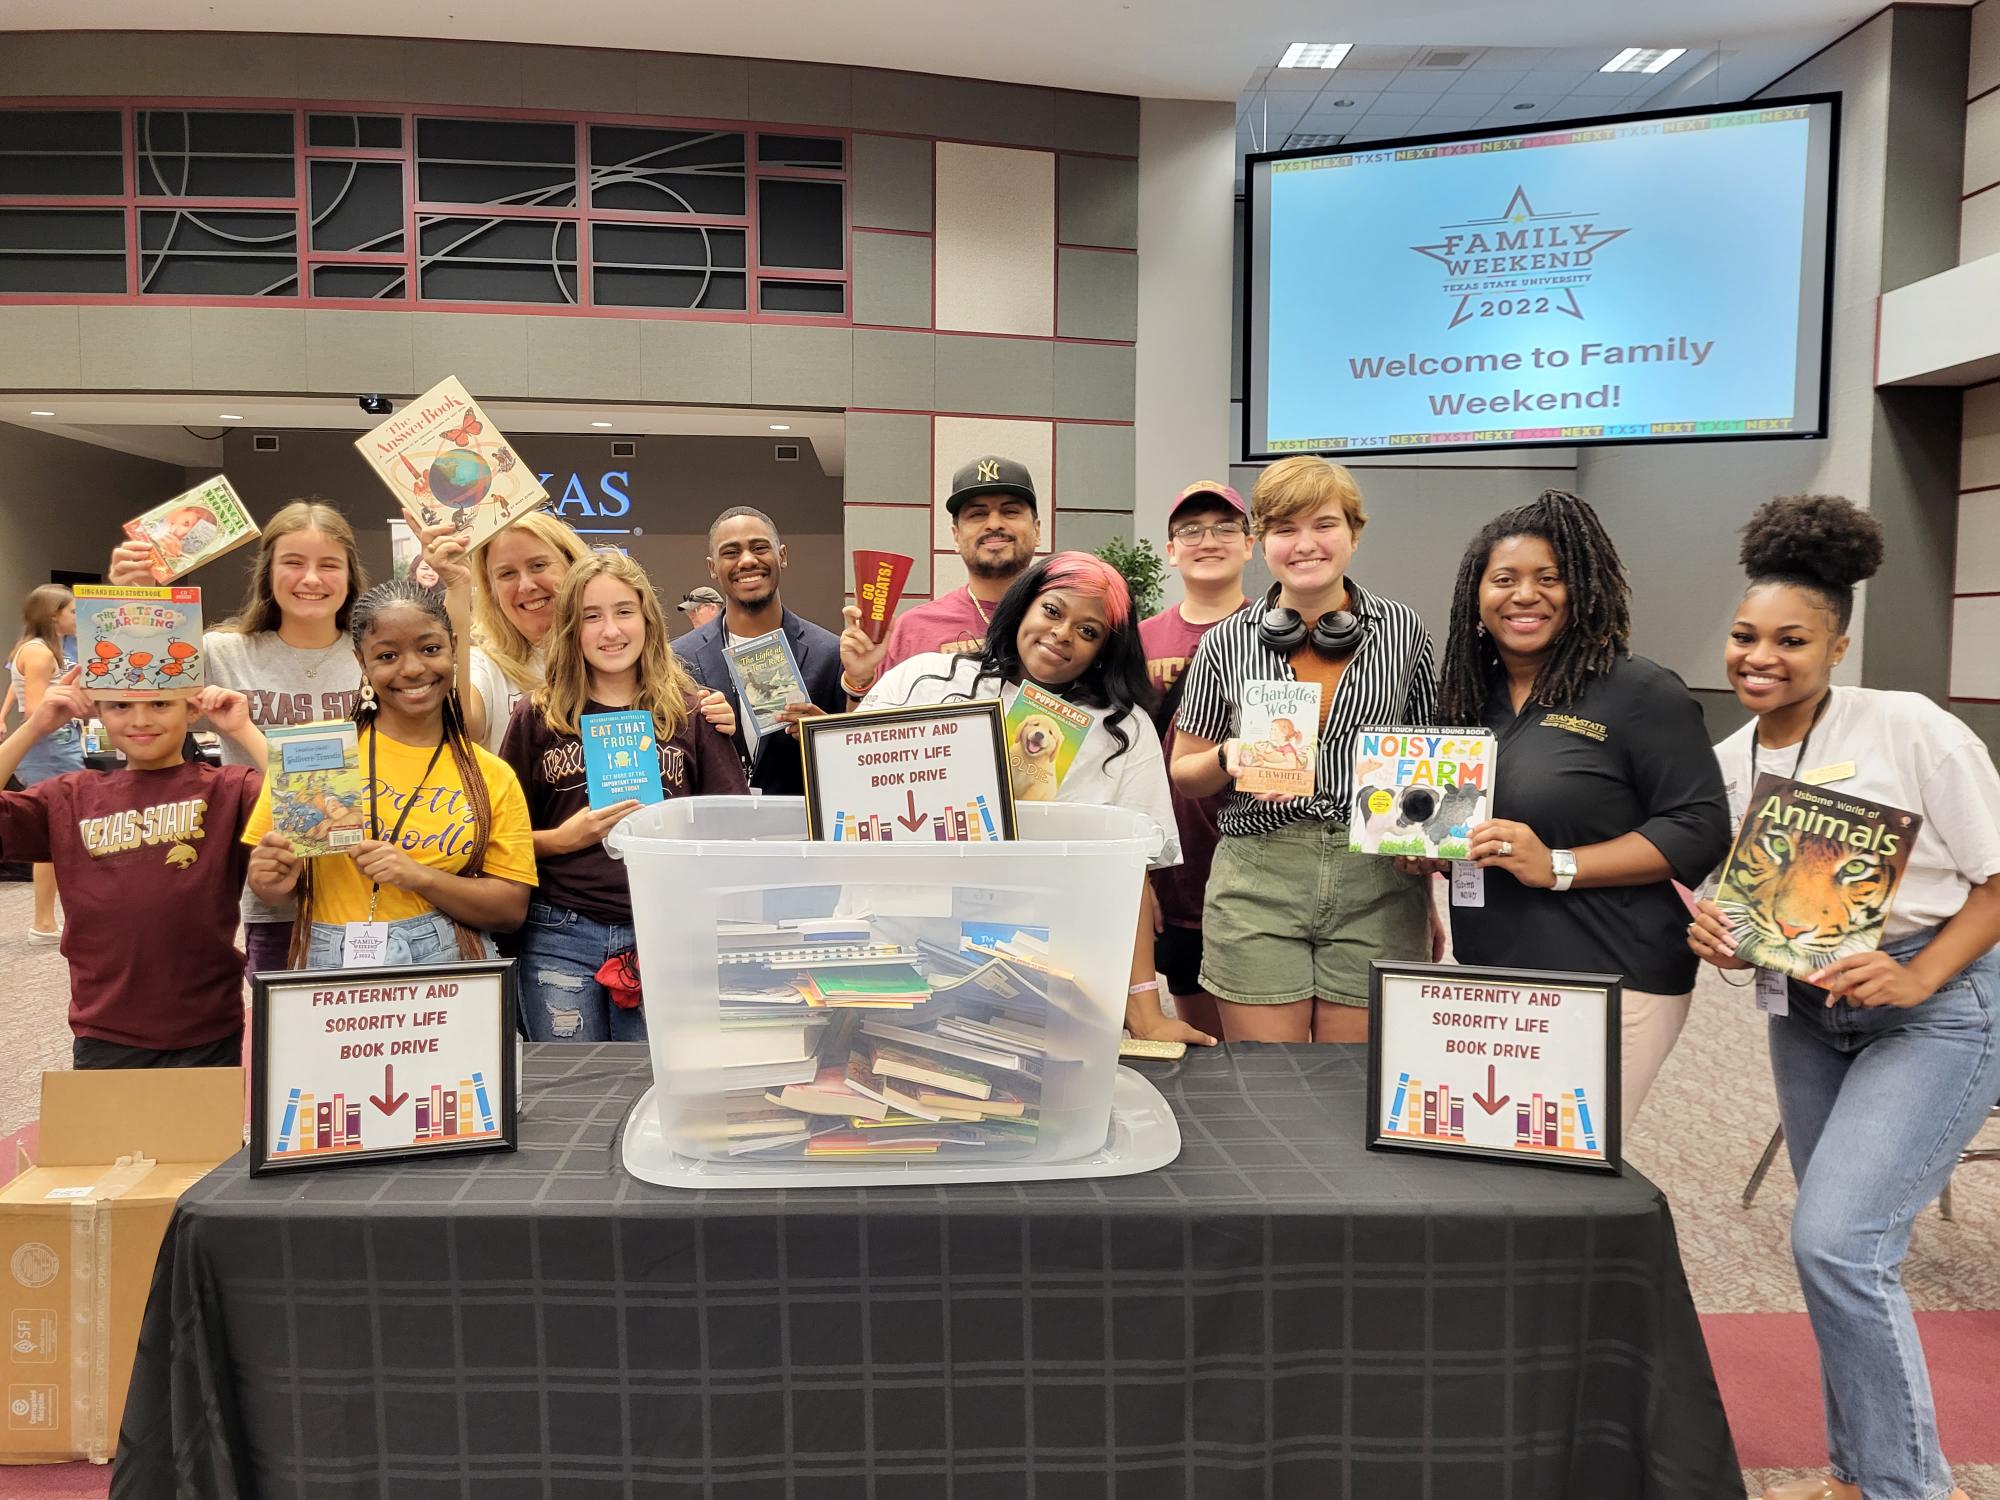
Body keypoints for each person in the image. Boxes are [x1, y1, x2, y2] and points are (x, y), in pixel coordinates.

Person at [1688, 495, 2000, 1500]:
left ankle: (1906, 1485)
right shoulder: (1729, 764)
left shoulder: (1906, 727)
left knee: (1837, 1242)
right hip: (1807, 1018)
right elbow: (1757, 917)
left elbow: (1996, 882)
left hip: (1932, 1009)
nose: (1759, 656)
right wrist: (1722, 943)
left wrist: (1916, 972)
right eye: (1743, 636)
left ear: (1836, 643)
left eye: (1789, 639)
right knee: (1834, 1251)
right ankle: (1859, 1469)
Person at [1436, 489, 1730, 1131]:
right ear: (1475, 594)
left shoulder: (1641, 691)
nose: (1524, 595)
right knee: (1493, 1156)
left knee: (1565, 1173)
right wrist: (1429, 852)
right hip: (1491, 972)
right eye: (1504, 579)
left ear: (1585, 587)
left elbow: (1700, 828)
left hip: (1610, 977)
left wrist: (1559, 864)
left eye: (1550, 578)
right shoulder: (1465, 696)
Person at [862, 551, 1209, 1046]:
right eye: (1052, 611)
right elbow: (848, 800)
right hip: (901, 956)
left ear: (1105, 650)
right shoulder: (924, 681)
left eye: (1089, 631)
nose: (1064, 633)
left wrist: (1147, 1013)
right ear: (1022, 606)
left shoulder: (1123, 730)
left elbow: (1129, 878)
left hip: (1038, 979)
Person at [1169, 457, 1438, 1044]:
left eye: (1324, 524)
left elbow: (1425, 768)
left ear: (1354, 532)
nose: (1306, 544)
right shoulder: (1226, 642)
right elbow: (1184, 773)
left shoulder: (1404, 630)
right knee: (1269, 1083)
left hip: (1378, 879)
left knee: (1351, 1087)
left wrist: (1428, 892)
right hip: (1258, 879)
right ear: (1261, 541)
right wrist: (1227, 757)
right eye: (1285, 529)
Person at [109, 500, 368, 974]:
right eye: (293, 563)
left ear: (350, 574)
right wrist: (135, 603)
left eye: (328, 565)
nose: (311, 579)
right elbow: (131, 693)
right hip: (271, 889)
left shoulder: (378, 653)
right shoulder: (221, 651)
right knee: (282, 1039)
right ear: (268, 571)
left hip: (369, 884)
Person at [502, 553, 748, 1042]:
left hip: (664, 931)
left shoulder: (692, 710)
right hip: (560, 933)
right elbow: (499, 844)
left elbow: (731, 828)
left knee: (651, 1089)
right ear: (571, 629)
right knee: (568, 1088)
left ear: (648, 620)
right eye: (591, 616)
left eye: (623, 612)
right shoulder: (538, 716)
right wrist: (562, 839)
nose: (610, 630)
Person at [245, 579, 537, 968]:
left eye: (430, 649)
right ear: (361, 662)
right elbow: (280, 889)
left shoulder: (490, 775)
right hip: (332, 962)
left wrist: (420, 876)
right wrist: (270, 883)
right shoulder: (315, 758)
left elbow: (510, 909)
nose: (413, 669)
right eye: (387, 656)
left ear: (453, 647)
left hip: (450, 966)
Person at [0, 664, 266, 1066]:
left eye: (161, 703)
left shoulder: (227, 788)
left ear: (192, 709)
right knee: (112, 1132)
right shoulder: (69, 796)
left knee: (202, 1132)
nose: (141, 720)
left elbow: (317, 804)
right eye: (120, 705)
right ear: (98, 711)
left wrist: (242, 730)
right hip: (106, 1027)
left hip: (207, 1024)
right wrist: (34, 728)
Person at [1139, 480, 1255, 1044]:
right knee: (1207, 1045)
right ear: (1170, 548)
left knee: (1271, 1047)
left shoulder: (1280, 632)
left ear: (1250, 544)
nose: (1208, 541)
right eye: (1190, 530)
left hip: (1264, 866)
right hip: (1178, 872)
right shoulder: (1137, 641)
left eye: (1225, 528)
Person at [673, 505, 845, 796]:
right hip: (709, 835)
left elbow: (857, 768)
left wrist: (823, 737)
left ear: (783, 555)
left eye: (760, 547)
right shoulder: (677, 660)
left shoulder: (830, 654)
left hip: (799, 834)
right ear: (713, 568)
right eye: (731, 552)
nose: (747, 560)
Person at [840, 454, 1042, 693]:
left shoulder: (1066, 623)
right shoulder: (912, 629)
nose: (994, 524)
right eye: (977, 514)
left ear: (1037, 531)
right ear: (956, 536)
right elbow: (873, 728)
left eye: (1010, 511)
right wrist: (860, 679)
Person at [465, 510, 591, 754]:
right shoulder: (485, 668)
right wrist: (455, 588)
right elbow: (461, 727)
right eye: (507, 574)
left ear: (573, 566)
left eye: (538, 565)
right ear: (490, 589)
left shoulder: (613, 654)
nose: (526, 585)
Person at [9, 584, 82, 941]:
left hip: (56, 744)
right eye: (71, 611)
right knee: (61, 831)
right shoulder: (39, 653)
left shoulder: (44, 649)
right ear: (54, 615)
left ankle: (48, 921)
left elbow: (17, 688)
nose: (77, 617)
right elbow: (35, 710)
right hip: (48, 747)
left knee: (58, 833)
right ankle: (45, 922)